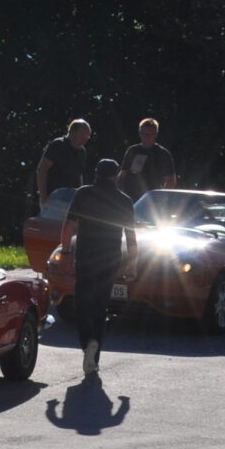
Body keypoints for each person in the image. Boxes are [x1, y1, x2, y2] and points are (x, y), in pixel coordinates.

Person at [64, 159, 140, 380]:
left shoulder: (84, 193)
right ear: (116, 176)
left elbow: (69, 225)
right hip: (110, 259)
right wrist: (132, 264)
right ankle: (94, 360)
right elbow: (131, 236)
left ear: (96, 173)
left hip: (86, 257)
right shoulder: (124, 200)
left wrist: (66, 253)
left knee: (82, 305)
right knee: (100, 306)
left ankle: (88, 342)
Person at [36, 120, 93, 210]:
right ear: (73, 131)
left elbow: (79, 175)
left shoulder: (82, 152)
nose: (85, 139)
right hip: (54, 198)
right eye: (83, 135)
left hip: (71, 201)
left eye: (87, 137)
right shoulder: (57, 145)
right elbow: (42, 170)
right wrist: (43, 198)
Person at [119, 118, 176, 199]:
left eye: (151, 134)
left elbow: (171, 181)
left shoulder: (163, 154)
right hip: (131, 199)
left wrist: (160, 198)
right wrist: (121, 195)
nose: (147, 137)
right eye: (144, 134)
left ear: (156, 134)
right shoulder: (132, 151)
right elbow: (121, 176)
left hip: (152, 200)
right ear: (139, 133)